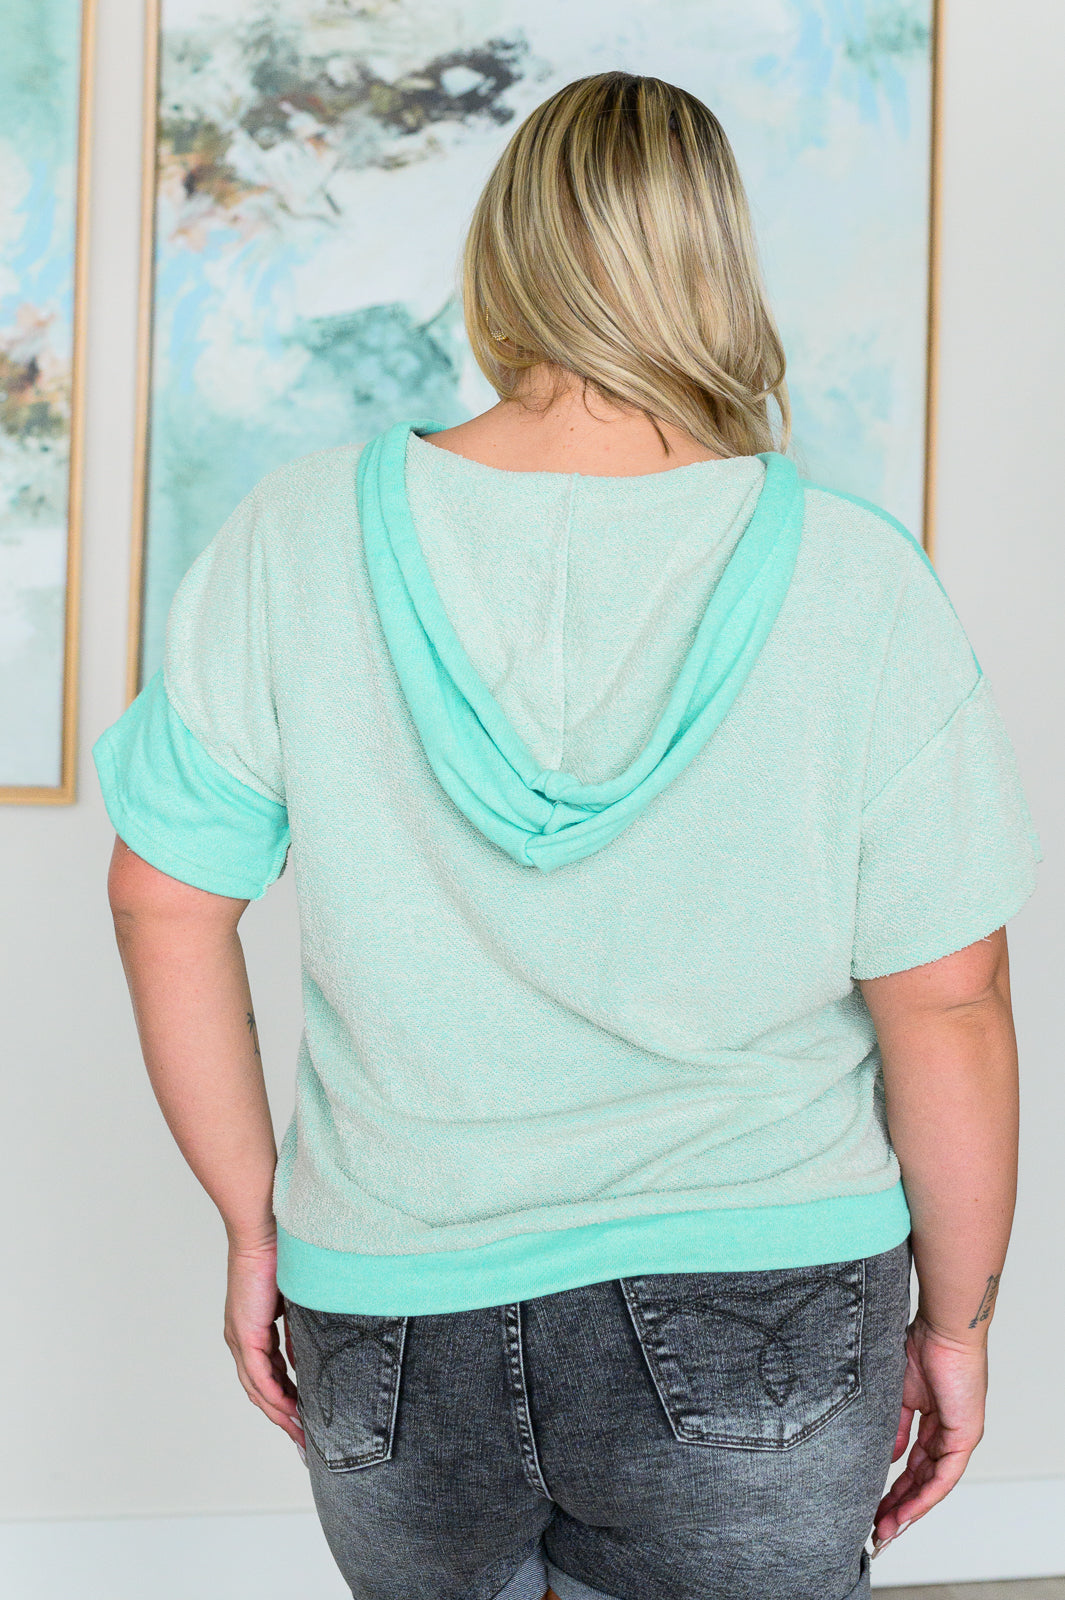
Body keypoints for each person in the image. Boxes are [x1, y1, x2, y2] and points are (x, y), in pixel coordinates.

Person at [93, 71, 1042, 1600]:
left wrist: (256, 1224)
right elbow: (949, 999)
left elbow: (162, 901)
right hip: (765, 1285)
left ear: (503, 261)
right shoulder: (854, 580)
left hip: (390, 1294)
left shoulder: (296, 532)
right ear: (716, 270)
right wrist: (958, 1324)